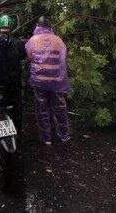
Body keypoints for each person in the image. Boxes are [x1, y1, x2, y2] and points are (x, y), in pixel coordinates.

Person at [26, 16, 70, 145]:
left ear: (38, 26)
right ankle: (64, 135)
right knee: (60, 108)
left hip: (39, 81)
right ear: (50, 27)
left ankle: (46, 139)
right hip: (56, 81)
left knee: (42, 109)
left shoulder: (32, 40)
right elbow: (62, 61)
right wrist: (61, 80)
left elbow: (30, 57)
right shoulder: (59, 41)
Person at [0, 14, 26, 131]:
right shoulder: (17, 42)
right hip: (15, 81)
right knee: (16, 107)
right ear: (11, 26)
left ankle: (2, 131)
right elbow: (23, 56)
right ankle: (17, 132)